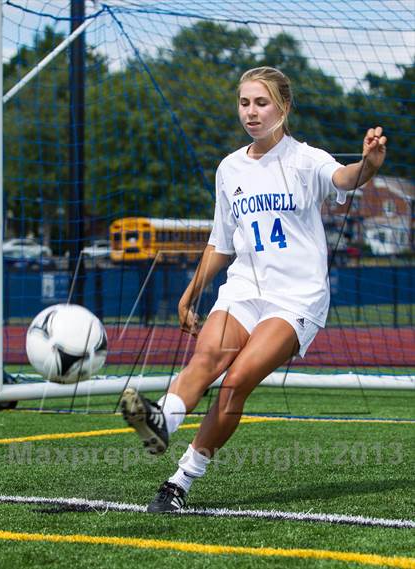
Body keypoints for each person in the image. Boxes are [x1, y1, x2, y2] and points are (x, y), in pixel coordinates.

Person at [121, 66, 387, 513]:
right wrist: (190, 293)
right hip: (244, 287)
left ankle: (181, 480)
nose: (251, 111)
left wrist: (370, 166)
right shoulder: (230, 168)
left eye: (261, 103)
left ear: (283, 107)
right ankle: (160, 421)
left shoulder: (306, 159)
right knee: (207, 357)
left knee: (237, 382)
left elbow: (345, 179)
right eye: (244, 102)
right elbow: (221, 242)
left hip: (296, 297)